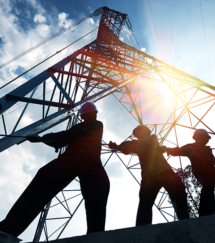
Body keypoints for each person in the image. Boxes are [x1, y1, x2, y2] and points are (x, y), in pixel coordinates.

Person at [0, 102, 110, 241]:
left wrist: (44, 138)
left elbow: (74, 135)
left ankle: (96, 236)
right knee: (44, 175)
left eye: (90, 115)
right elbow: (68, 136)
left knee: (98, 192)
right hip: (75, 160)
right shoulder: (80, 127)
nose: (90, 117)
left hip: (88, 163)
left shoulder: (96, 125)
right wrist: (43, 139)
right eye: (88, 115)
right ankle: (9, 227)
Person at [109, 125, 189, 226]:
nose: (138, 136)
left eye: (140, 133)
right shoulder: (138, 145)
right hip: (149, 176)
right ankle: (142, 228)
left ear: (147, 133)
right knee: (145, 203)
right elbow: (126, 150)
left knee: (179, 191)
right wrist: (116, 146)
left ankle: (185, 219)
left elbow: (141, 143)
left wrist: (128, 143)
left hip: (164, 171)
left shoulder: (152, 138)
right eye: (137, 134)